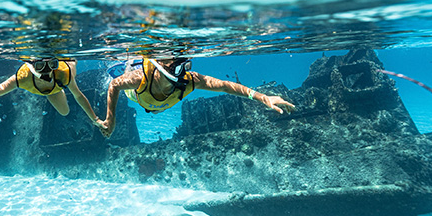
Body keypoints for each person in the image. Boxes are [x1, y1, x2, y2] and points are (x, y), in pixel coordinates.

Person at [97, 57, 295, 138]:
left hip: (155, 102)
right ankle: (128, 62)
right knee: (121, 75)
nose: (184, 71)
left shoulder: (189, 81)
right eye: (177, 66)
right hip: (139, 96)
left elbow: (226, 86)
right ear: (160, 66)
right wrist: (110, 120)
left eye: (186, 65)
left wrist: (263, 98)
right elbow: (114, 86)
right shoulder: (140, 79)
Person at [0, 58, 101, 126]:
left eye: (52, 64)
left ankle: (68, 61)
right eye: (40, 66)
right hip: (52, 88)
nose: (47, 70)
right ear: (29, 64)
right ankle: (54, 91)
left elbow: (78, 95)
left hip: (64, 73)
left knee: (72, 62)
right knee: (64, 112)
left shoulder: (63, 73)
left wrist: (95, 120)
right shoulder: (23, 77)